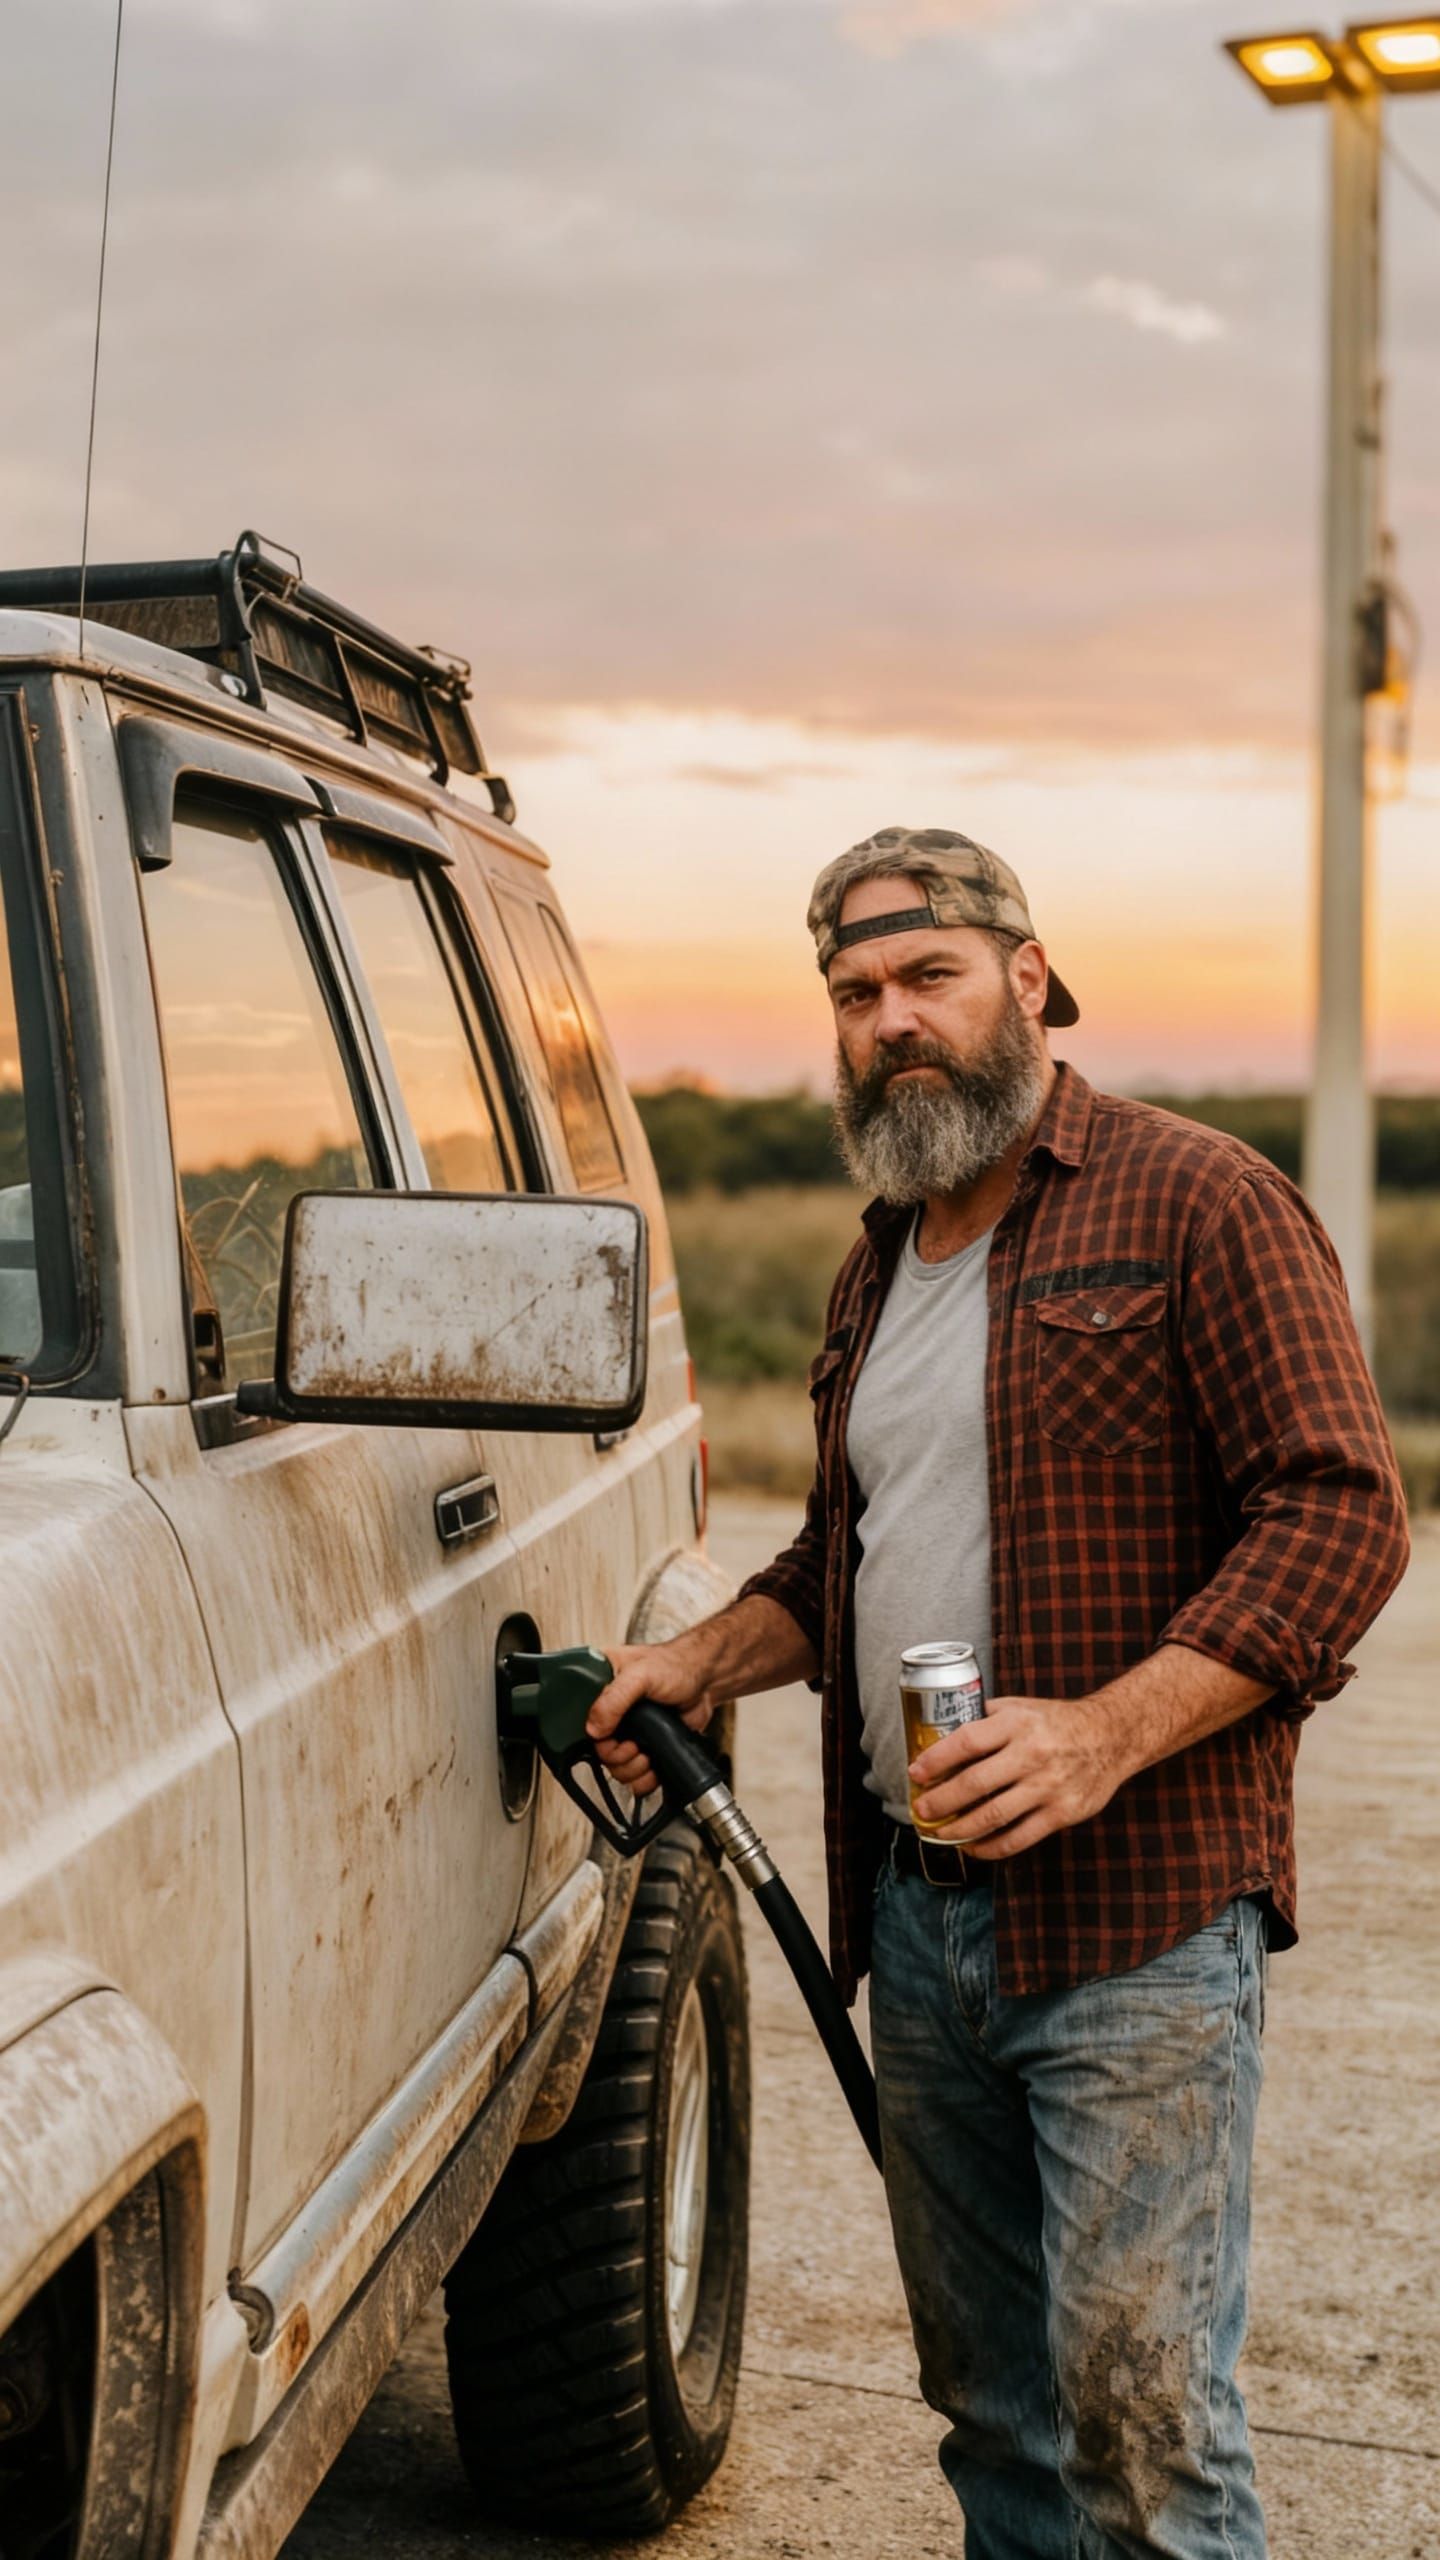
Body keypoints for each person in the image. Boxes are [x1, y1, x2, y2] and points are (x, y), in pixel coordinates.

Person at [587, 826, 1409, 2560]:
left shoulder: (1200, 1200)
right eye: (854, 993)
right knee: (997, 2422)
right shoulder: (878, 1259)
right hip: (921, 1921)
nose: (891, 1020)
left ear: (1027, 979)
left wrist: (1105, 1733)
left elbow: (1341, 1513)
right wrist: (695, 1660)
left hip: (1136, 1926)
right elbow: (843, 1555)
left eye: (928, 977)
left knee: (1147, 2436)